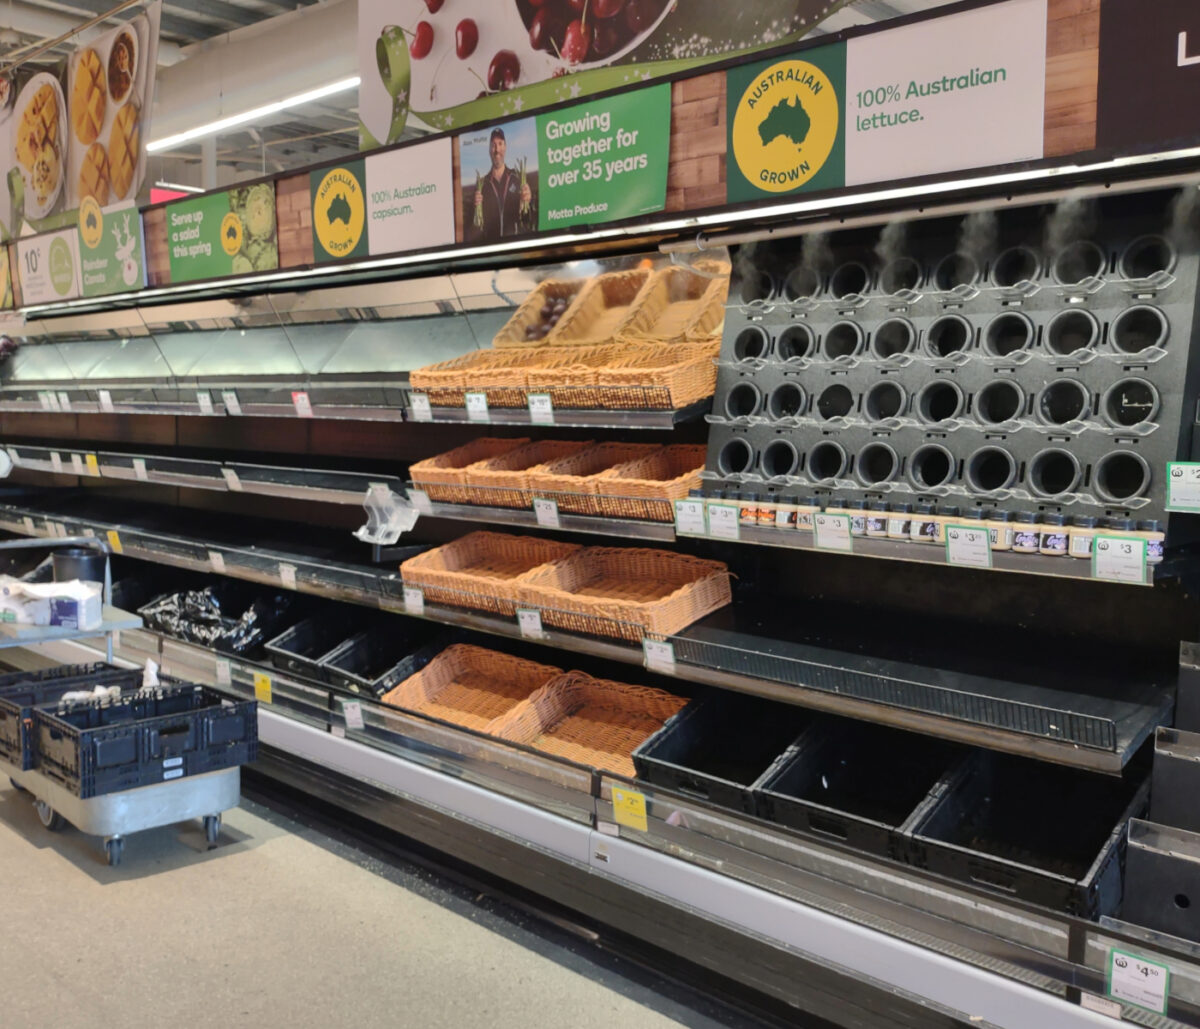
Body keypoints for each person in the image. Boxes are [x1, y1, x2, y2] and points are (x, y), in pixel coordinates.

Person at [473, 127, 535, 239]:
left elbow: (527, 220)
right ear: (489, 150)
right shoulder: (482, 185)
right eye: (493, 145)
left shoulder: (517, 178)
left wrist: (529, 202)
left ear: (505, 147)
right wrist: (474, 209)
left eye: (500, 144)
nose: (497, 149)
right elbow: (475, 230)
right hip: (491, 247)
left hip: (515, 245)